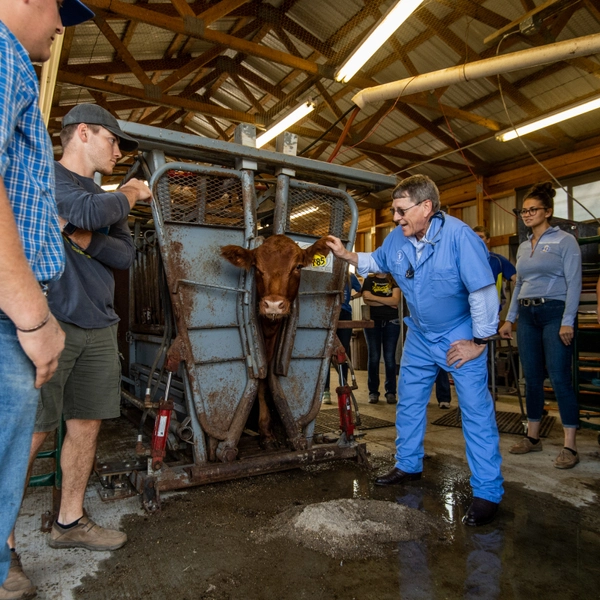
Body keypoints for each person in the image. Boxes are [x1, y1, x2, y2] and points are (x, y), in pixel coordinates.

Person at [7, 103, 152, 594]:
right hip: (49, 321)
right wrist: (128, 193)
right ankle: (2, 546)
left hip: (97, 324)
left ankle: (70, 523)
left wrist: (78, 231)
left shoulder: (93, 197)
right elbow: (95, 214)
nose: (117, 151)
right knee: (30, 434)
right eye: (113, 140)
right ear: (84, 133)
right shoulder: (44, 174)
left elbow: (124, 254)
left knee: (85, 425)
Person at [326, 174, 503, 527]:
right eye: (394, 210)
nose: (394, 217)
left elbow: (483, 293)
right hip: (421, 334)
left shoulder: (459, 238)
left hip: (459, 334)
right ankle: (408, 465)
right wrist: (347, 255)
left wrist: (479, 342)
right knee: (408, 400)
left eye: (400, 210)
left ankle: (488, 492)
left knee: (474, 410)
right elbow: (376, 260)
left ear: (426, 207)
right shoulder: (399, 238)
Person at [0, 1, 94, 597]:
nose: (62, 26)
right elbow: (93, 220)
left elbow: (116, 249)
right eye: (58, 7)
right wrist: (33, 315)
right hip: (11, 310)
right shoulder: (3, 56)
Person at [499, 182, 582, 469]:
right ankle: (533, 437)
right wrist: (510, 319)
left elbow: (574, 283)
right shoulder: (523, 246)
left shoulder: (564, 241)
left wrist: (567, 321)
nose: (527, 214)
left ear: (547, 211)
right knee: (531, 377)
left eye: (532, 209)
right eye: (523, 210)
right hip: (528, 315)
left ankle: (570, 446)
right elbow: (519, 284)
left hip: (554, 312)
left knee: (559, 377)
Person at [361, 273, 401, 404]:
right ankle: (373, 392)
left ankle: (390, 392)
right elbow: (366, 299)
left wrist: (374, 298)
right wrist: (387, 301)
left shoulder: (394, 278)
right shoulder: (369, 279)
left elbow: (396, 300)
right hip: (373, 322)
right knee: (373, 357)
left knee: (390, 358)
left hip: (392, 322)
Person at [322, 273, 361, 404]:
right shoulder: (326, 274)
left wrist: (352, 298)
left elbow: (362, 291)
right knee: (326, 353)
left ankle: (343, 388)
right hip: (328, 312)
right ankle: (325, 390)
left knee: (342, 353)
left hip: (344, 313)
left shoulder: (350, 277)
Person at [473, 226, 517, 310]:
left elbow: (516, 279)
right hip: (469, 308)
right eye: (474, 237)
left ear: (488, 240)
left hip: (492, 309)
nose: (477, 240)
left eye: (481, 237)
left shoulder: (498, 260)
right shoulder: (464, 260)